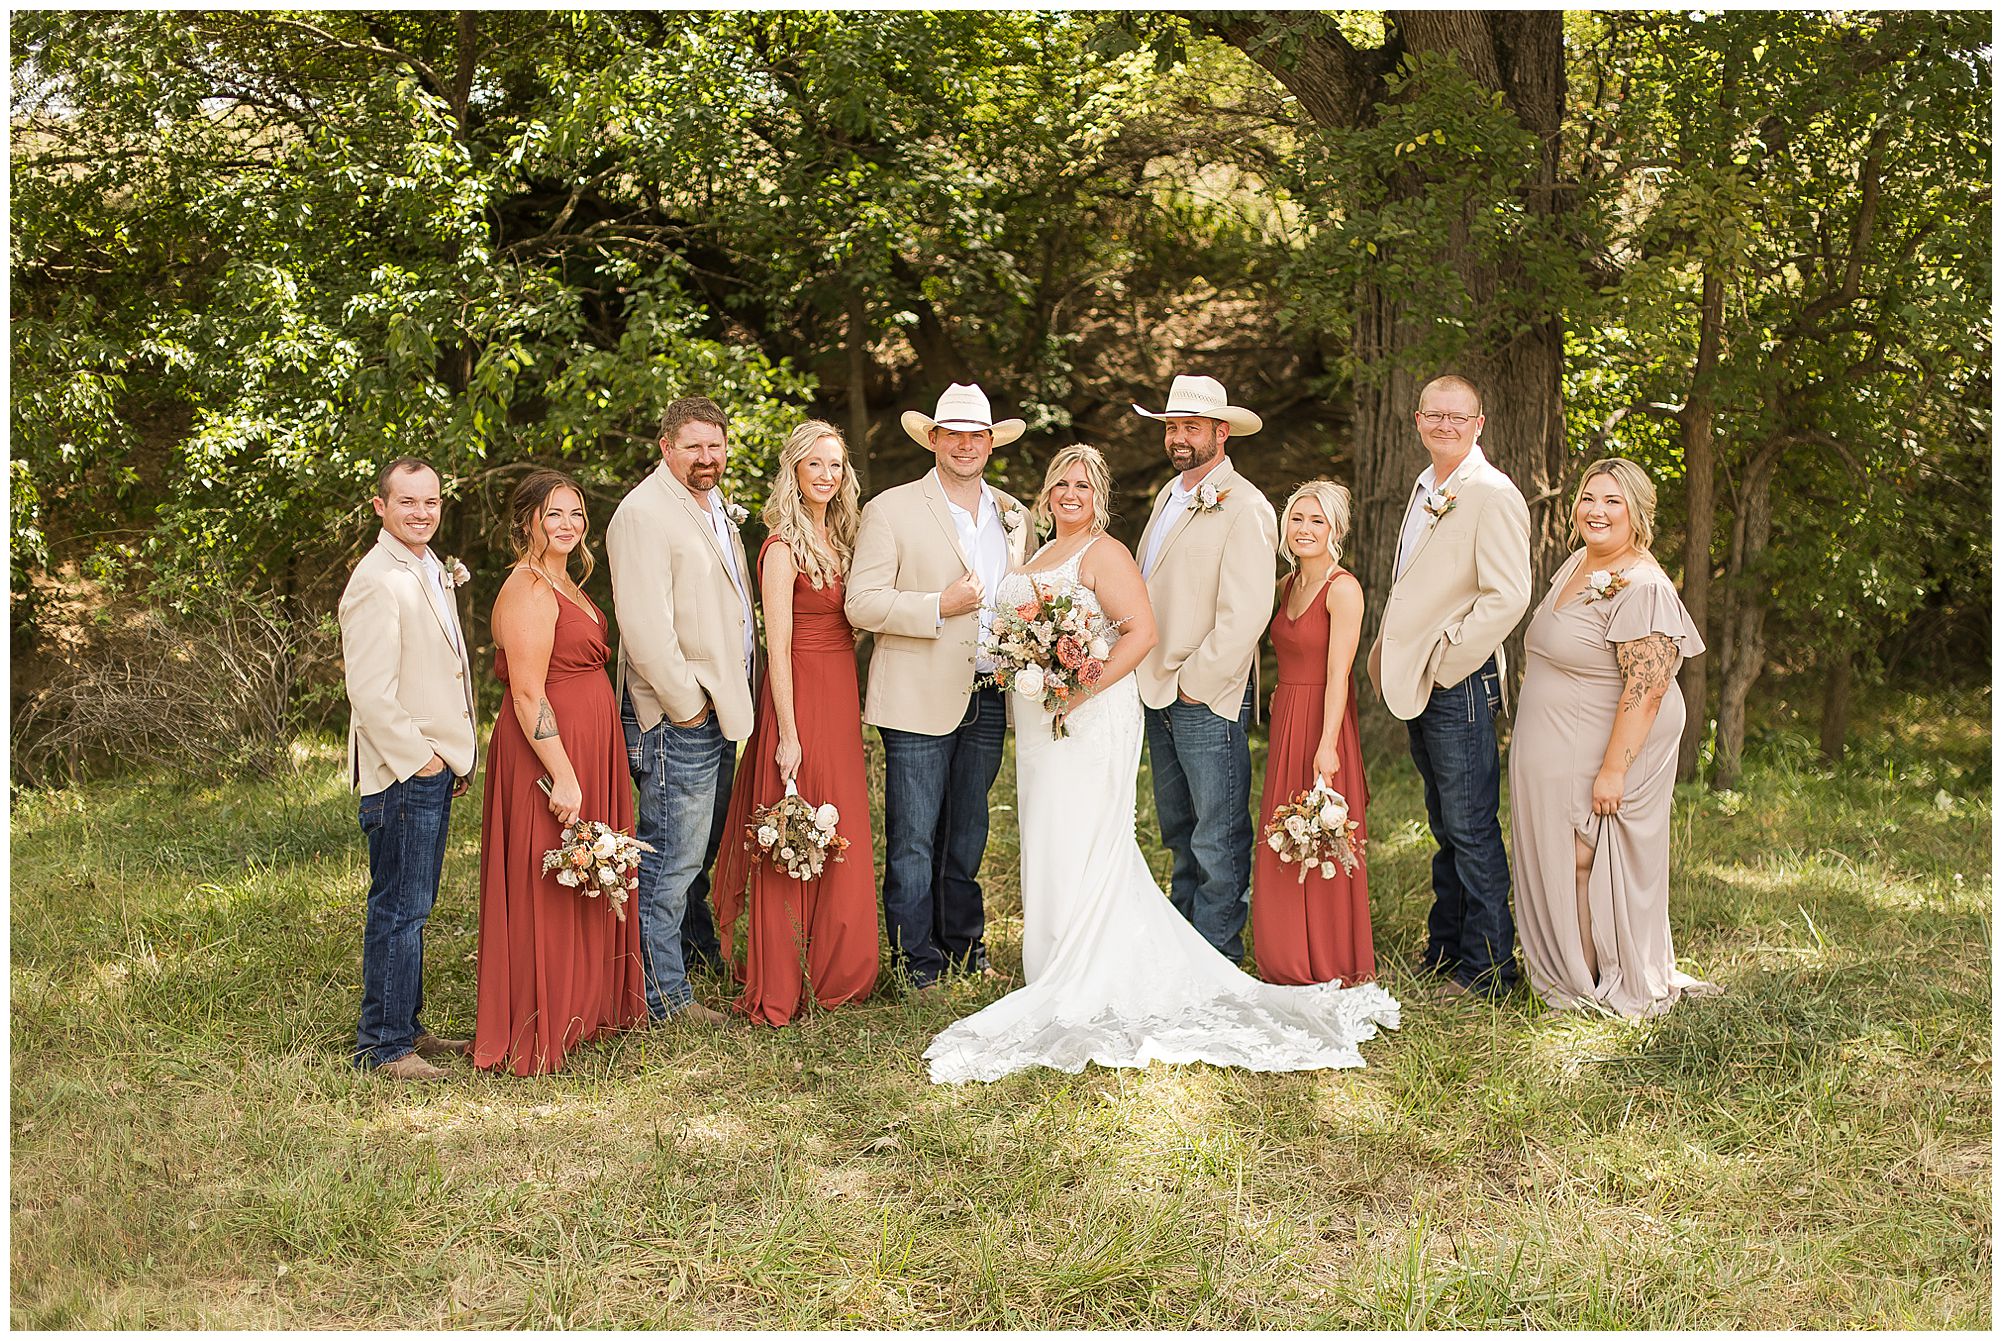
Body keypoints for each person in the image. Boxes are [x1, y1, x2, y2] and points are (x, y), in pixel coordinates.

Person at [924, 446, 1399, 1084]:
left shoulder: (1107, 552)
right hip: (1042, 719)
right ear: (1046, 493)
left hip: (1087, 713)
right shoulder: (1036, 554)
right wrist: (1030, 666)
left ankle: (1093, 960)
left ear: (1100, 497)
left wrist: (1079, 689)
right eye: (1061, 483)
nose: (1070, 494)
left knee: (1094, 835)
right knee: (1047, 831)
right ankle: (1053, 956)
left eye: (1083, 485)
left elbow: (1141, 632)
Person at [1511, 459, 1717, 1016]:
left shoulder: (1643, 586)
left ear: (1637, 513)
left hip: (1607, 743)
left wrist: (1613, 770)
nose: (1596, 511)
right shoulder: (1580, 561)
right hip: (1565, 737)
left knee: (1586, 855)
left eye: (1612, 501)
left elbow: (1648, 688)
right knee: (1569, 855)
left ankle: (1595, 980)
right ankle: (1574, 971)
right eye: (1588, 498)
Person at [845, 383, 1033, 990]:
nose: (965, 445)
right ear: (932, 439)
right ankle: (914, 964)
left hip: (989, 690)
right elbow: (861, 602)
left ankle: (964, 949)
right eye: (953, 434)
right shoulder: (891, 509)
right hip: (915, 695)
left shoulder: (1015, 515)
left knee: (968, 834)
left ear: (991, 443)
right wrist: (938, 606)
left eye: (976, 435)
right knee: (913, 838)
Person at [472, 471, 648, 1074]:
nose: (568, 524)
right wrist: (565, 776)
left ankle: (583, 1007)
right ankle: (543, 1018)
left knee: (585, 872)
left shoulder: (566, 579)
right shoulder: (526, 587)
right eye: (553, 514)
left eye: (575, 513)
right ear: (527, 522)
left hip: (589, 746)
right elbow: (527, 694)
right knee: (547, 878)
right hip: (550, 754)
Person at [1368, 374, 1532, 1001]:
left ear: (1479, 424)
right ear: (1417, 421)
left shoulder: (1492, 493)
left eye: (1458, 417)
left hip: (1458, 681)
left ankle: (1489, 971)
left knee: (1470, 828)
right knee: (1444, 823)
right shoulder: (1424, 487)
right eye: (1435, 415)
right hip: (1422, 677)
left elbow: (1508, 595)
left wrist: (1445, 660)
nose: (1446, 425)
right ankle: (1446, 951)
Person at [712, 421, 881, 1024]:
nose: (827, 476)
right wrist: (787, 732)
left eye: (835, 465)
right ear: (794, 471)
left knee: (840, 819)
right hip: (800, 693)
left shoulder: (845, 538)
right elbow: (776, 647)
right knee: (795, 820)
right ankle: (783, 976)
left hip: (839, 692)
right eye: (815, 464)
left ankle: (839, 970)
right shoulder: (782, 548)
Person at [607, 395, 756, 1027]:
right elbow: (643, 627)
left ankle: (690, 957)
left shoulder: (713, 506)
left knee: (699, 849)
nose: (706, 457)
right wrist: (686, 706)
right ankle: (664, 997)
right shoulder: (642, 513)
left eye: (715, 445)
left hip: (722, 706)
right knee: (670, 858)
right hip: (679, 715)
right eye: (692, 446)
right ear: (665, 447)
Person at [1129, 374, 1279, 963]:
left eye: (1191, 427)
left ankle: (1218, 955)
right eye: (1172, 427)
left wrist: (1195, 684)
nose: (1179, 438)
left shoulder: (1246, 506)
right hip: (1156, 690)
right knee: (1178, 832)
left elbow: (1247, 613)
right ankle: (1182, 952)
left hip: (1204, 697)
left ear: (1222, 432)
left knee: (1218, 834)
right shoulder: (1169, 496)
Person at [338, 457, 478, 1081]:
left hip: (433, 764)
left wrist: (453, 755)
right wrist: (422, 760)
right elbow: (369, 693)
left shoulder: (426, 567)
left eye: (431, 501)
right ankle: (384, 1046)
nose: (422, 513)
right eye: (407, 502)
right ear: (380, 506)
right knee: (399, 908)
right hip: (403, 773)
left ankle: (407, 1026)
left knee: (414, 906)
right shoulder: (376, 579)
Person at [1252, 479, 1375, 986]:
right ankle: (1284, 956)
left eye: (1316, 521)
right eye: (1297, 519)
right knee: (1284, 834)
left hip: (1324, 721)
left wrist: (1327, 746)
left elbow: (1339, 673)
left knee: (1322, 836)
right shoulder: (1286, 585)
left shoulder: (1342, 589)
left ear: (1335, 530)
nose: (1304, 529)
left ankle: (1328, 957)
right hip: (1287, 718)